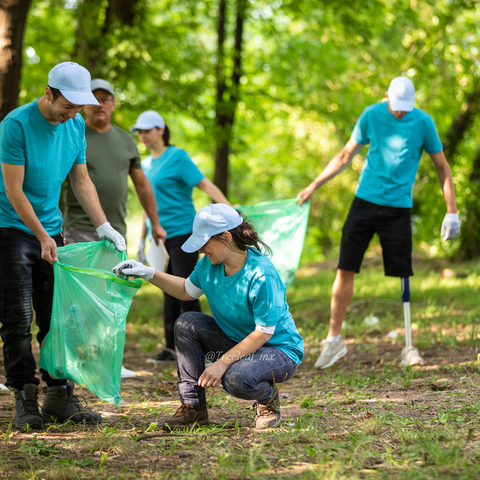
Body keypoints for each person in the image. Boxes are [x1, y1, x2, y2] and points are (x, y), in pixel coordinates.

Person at [297, 76, 460, 369]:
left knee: (403, 274)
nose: (400, 113)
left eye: (405, 108)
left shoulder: (423, 122)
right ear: (386, 96)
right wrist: (314, 184)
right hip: (364, 202)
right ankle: (333, 342)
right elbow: (346, 154)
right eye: (396, 106)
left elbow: (441, 166)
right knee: (344, 267)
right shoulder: (371, 114)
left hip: (398, 208)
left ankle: (408, 346)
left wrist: (452, 210)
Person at [0, 62, 126, 429]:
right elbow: (13, 190)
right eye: (66, 106)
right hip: (12, 230)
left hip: (52, 232)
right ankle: (25, 396)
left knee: (57, 319)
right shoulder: (15, 125)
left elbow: (81, 181)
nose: (72, 114)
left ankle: (59, 396)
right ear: (48, 93)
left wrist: (104, 226)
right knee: (19, 319)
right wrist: (39, 236)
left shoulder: (73, 128)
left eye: (77, 108)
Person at [113, 203, 304, 429]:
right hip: (237, 341)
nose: (201, 250)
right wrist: (148, 273)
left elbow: (263, 333)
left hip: (277, 350)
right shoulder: (208, 266)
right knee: (187, 323)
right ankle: (193, 409)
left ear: (225, 237)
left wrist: (221, 364)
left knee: (235, 378)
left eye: (204, 242)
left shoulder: (262, 274)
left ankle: (267, 400)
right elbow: (185, 290)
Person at [62, 79, 165, 379]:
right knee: (80, 300)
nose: (100, 104)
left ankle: (108, 359)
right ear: (85, 103)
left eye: (106, 99)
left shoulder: (125, 140)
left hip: (115, 232)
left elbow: (142, 185)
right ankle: (77, 360)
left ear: (113, 104)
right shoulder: (72, 132)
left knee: (110, 296)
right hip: (78, 228)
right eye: (94, 98)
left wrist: (155, 222)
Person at [131, 111, 230, 363]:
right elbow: (146, 203)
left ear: (160, 130)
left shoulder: (177, 157)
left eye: (147, 130)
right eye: (139, 131)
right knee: (167, 290)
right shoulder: (145, 164)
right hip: (160, 238)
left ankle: (207, 349)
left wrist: (230, 212)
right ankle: (172, 348)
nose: (142, 135)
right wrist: (142, 238)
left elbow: (205, 185)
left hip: (184, 232)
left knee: (188, 288)